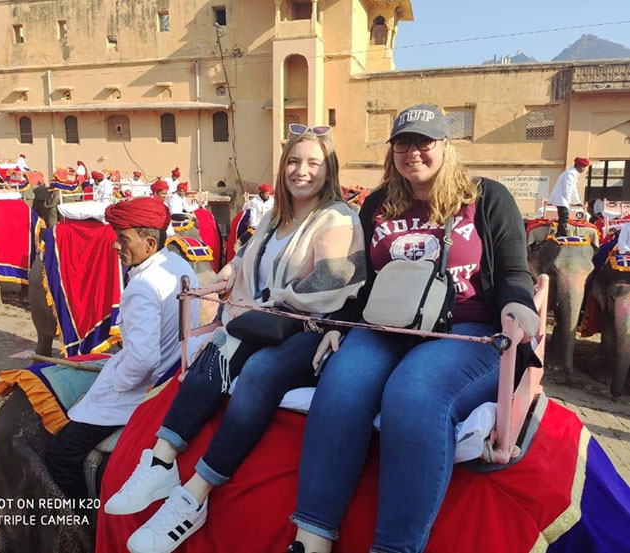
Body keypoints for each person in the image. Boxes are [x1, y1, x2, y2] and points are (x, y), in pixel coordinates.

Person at [286, 105, 541, 553]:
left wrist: (518, 307)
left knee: (413, 394)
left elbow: (514, 273)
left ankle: (395, 547)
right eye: (403, 142)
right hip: (385, 324)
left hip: (464, 328)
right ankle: (311, 536)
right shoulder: (377, 203)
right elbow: (360, 278)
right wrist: (340, 326)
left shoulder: (488, 197)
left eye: (425, 142)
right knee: (341, 384)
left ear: (445, 145)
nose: (413, 152)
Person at [104, 126, 366, 553]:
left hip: (314, 328)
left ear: (328, 170)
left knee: (261, 372)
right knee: (217, 348)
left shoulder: (338, 218)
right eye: (294, 162)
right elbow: (250, 256)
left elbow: (333, 281)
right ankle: (160, 459)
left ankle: (195, 495)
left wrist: (269, 301)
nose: (302, 171)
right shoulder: (275, 217)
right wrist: (234, 272)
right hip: (266, 319)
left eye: (313, 163)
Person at [45, 197, 200, 503]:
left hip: (141, 390)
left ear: (150, 242)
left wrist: (115, 381)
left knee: (60, 455)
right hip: (173, 372)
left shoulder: (143, 285)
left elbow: (142, 359)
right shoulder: (179, 265)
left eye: (123, 238)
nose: (116, 246)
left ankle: (81, 524)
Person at [547, 156, 590, 237]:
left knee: (564, 217)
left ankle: (560, 233)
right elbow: (568, 189)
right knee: (564, 217)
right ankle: (562, 234)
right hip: (562, 199)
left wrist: (577, 202)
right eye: (583, 167)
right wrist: (569, 201)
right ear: (577, 165)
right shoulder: (569, 174)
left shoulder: (573, 173)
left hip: (564, 199)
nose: (584, 169)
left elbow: (574, 189)